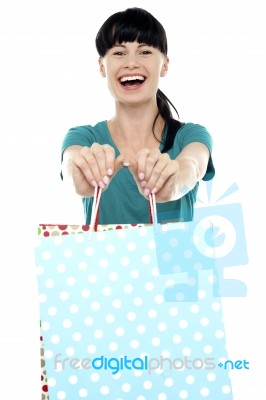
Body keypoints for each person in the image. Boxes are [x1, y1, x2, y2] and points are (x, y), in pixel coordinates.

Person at [61, 7, 215, 224]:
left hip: (173, 259)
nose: (131, 63)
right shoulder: (84, 138)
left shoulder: (190, 135)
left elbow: (192, 165)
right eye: (119, 52)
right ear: (101, 66)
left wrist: (174, 184)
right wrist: (77, 177)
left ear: (164, 65)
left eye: (144, 51)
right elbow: (70, 163)